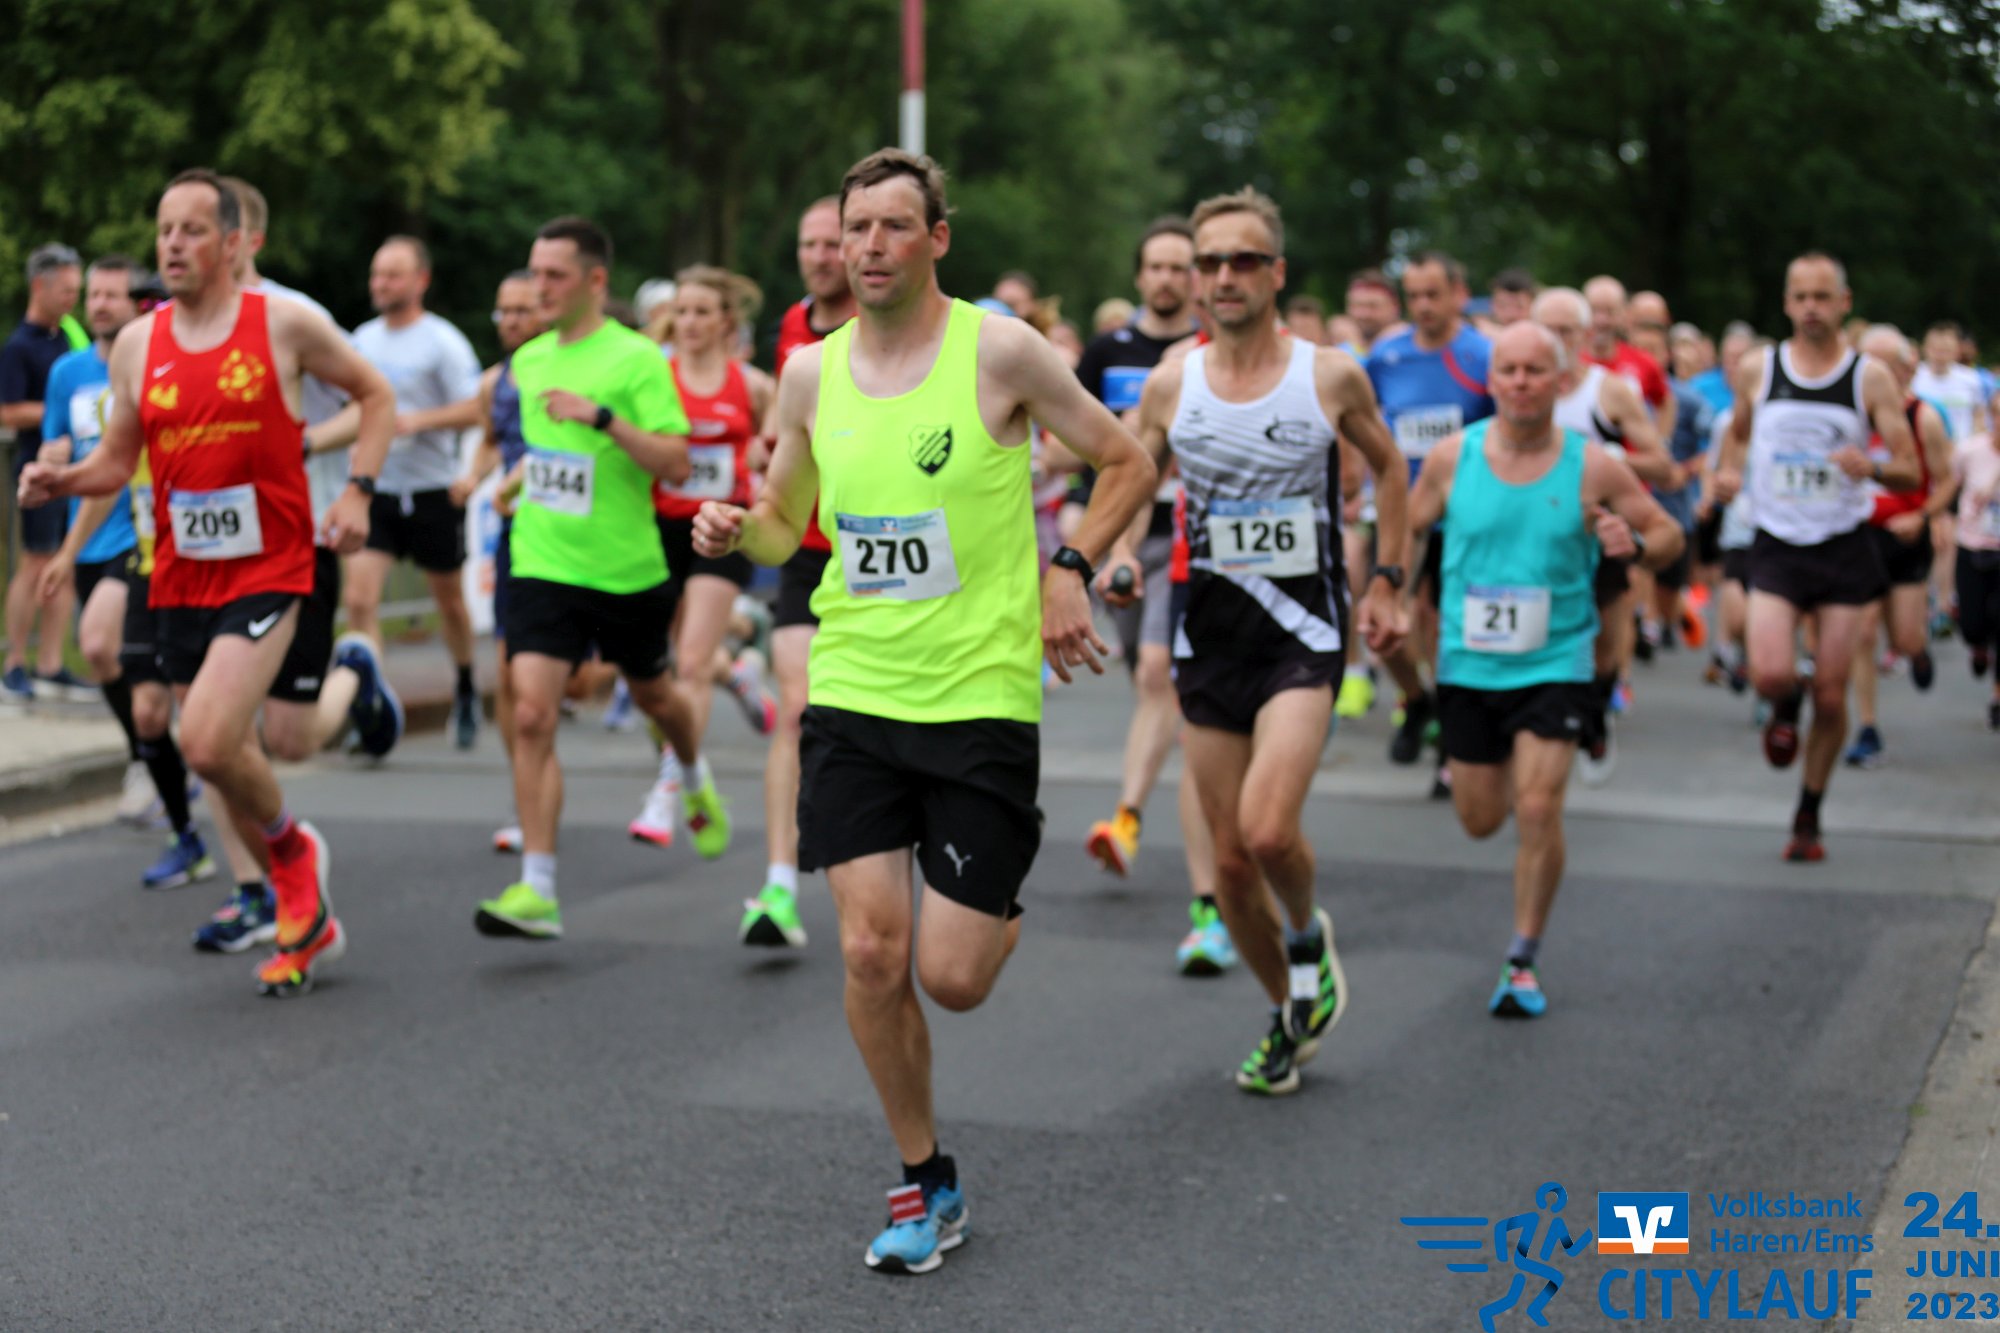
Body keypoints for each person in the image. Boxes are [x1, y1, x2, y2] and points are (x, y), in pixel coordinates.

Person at [692, 148, 1154, 1274]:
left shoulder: (1000, 350)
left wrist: (1069, 566)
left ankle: (991, 905)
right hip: (853, 687)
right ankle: (922, 1178)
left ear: (936, 239)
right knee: (867, 950)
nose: (871, 246)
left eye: (895, 226)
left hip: (978, 696)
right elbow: (786, 519)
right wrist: (737, 528)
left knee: (952, 976)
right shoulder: (810, 372)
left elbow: (1126, 460)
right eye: (856, 227)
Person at [19, 169, 397, 995]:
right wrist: (63, 480)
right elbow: (118, 460)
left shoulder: (283, 323)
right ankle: (296, 895)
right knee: (223, 754)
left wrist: (359, 492)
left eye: (191, 230)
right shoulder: (137, 343)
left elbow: (375, 394)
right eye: (164, 230)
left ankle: (291, 859)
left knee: (205, 739)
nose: (173, 245)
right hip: (181, 573)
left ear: (231, 243)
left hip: (272, 565)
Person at [1136, 186, 1408, 1095]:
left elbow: (1391, 469)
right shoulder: (1172, 381)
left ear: (1276, 273)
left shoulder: (1327, 375)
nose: (1224, 276)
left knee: (1265, 830)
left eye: (1243, 260)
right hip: (1209, 636)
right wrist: (1109, 555)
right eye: (1210, 261)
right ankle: (1289, 1006)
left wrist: (1389, 578)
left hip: (1304, 631)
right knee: (1226, 863)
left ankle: (1305, 935)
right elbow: (1131, 473)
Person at [1413, 322, 1681, 1017]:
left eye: (1536, 370)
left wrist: (1635, 542)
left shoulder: (1594, 466)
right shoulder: (1452, 457)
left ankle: (1522, 957)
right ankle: (1514, 783)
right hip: (1469, 663)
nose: (1522, 382)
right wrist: (1386, 590)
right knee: (1480, 819)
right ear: (1491, 380)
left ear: (1562, 382)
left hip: (1557, 659)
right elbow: (1406, 528)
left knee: (1537, 807)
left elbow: (1668, 533)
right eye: (1509, 370)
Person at [472, 215, 725, 941]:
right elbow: (546, 451)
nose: (539, 288)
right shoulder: (528, 362)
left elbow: (675, 462)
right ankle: (537, 888)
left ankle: (693, 773)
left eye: (554, 275)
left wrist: (604, 418)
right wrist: (514, 480)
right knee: (531, 713)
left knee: (656, 696)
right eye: (534, 273)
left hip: (624, 567)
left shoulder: (637, 358)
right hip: (541, 559)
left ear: (594, 280)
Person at [1713, 252, 1921, 862]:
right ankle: (1784, 701)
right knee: (1771, 672)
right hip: (1776, 542)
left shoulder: (1869, 378)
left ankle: (1809, 811)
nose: (1811, 308)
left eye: (1822, 297)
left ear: (1844, 303)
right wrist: (1724, 475)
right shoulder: (1759, 368)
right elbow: (1737, 434)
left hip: (1842, 545)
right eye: (1801, 297)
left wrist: (1872, 467)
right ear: (1786, 303)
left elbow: (1910, 468)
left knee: (1832, 695)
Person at [34, 255, 210, 874]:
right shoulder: (77, 376)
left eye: (116, 295)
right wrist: (64, 538)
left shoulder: (172, 369)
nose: (102, 305)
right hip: (113, 543)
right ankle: (174, 803)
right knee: (136, 688)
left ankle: (168, 771)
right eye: (96, 295)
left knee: (111, 652)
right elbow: (99, 466)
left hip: (170, 552)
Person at [733, 197, 862, 949]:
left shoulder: (884, 324)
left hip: (874, 544)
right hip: (805, 545)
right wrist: (767, 445)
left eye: (829, 243)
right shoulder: (792, 325)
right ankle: (780, 887)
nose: (819, 256)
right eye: (808, 243)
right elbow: (783, 420)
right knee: (796, 706)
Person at [625, 265, 775, 856]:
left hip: (722, 532)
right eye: (681, 311)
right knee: (662, 663)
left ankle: (671, 789)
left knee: (688, 662)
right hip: (659, 530)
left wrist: (763, 457)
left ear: (725, 321)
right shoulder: (654, 379)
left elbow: (780, 449)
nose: (688, 322)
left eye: (702, 312)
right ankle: (735, 673)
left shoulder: (752, 386)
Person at [342, 236, 486, 748]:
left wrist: (418, 420)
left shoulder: (442, 342)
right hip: (376, 489)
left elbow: (477, 409)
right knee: (359, 600)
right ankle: (373, 705)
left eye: (393, 275)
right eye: (377, 274)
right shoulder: (362, 341)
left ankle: (465, 687)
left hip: (431, 491)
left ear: (420, 280)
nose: (381, 284)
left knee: (449, 604)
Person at [1366, 251, 1495, 795]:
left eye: (1433, 295)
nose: (1422, 306)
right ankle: (1417, 700)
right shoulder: (1386, 356)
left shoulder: (1482, 356)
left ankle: (1449, 747)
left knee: (1441, 630)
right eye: (1413, 295)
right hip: (1399, 512)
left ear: (1459, 293)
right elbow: (1358, 422)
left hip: (1462, 519)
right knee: (1381, 628)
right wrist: (1352, 484)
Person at [451, 271, 545, 851]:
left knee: (588, 679)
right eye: (502, 311)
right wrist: (474, 477)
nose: (510, 321)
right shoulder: (495, 381)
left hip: (582, 536)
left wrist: (520, 478)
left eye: (522, 310)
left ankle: (676, 765)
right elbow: (492, 438)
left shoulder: (563, 372)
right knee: (511, 673)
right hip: (521, 534)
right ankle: (525, 795)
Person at [1844, 325, 1951, 766]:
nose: (1877, 374)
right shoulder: (1848, 416)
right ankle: (1867, 727)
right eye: (1868, 364)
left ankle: (1917, 650)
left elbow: (1947, 481)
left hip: (1905, 536)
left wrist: (1923, 516)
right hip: (1859, 535)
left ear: (1907, 368)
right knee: (1864, 631)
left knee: (1904, 637)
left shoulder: (1923, 417)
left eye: (1887, 364)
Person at [4, 243, 87, 701]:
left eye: (77, 290)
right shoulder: (19, 347)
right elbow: (8, 411)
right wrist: (64, 409)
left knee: (64, 563)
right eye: (66, 290)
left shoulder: (67, 338)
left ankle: (51, 664)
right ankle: (15, 662)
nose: (73, 299)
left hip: (72, 471)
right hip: (36, 470)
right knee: (34, 563)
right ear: (40, 286)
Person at [1945, 422, 2000, 729]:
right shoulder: (1969, 451)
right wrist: (1940, 522)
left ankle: (1997, 695)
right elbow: (1949, 488)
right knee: (1972, 625)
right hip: (1971, 544)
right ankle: (1978, 647)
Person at [1341, 268, 1401, 359]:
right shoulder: (1339, 351)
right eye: (1358, 305)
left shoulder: (1414, 347)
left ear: (1395, 307)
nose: (1364, 314)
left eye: (1373, 306)